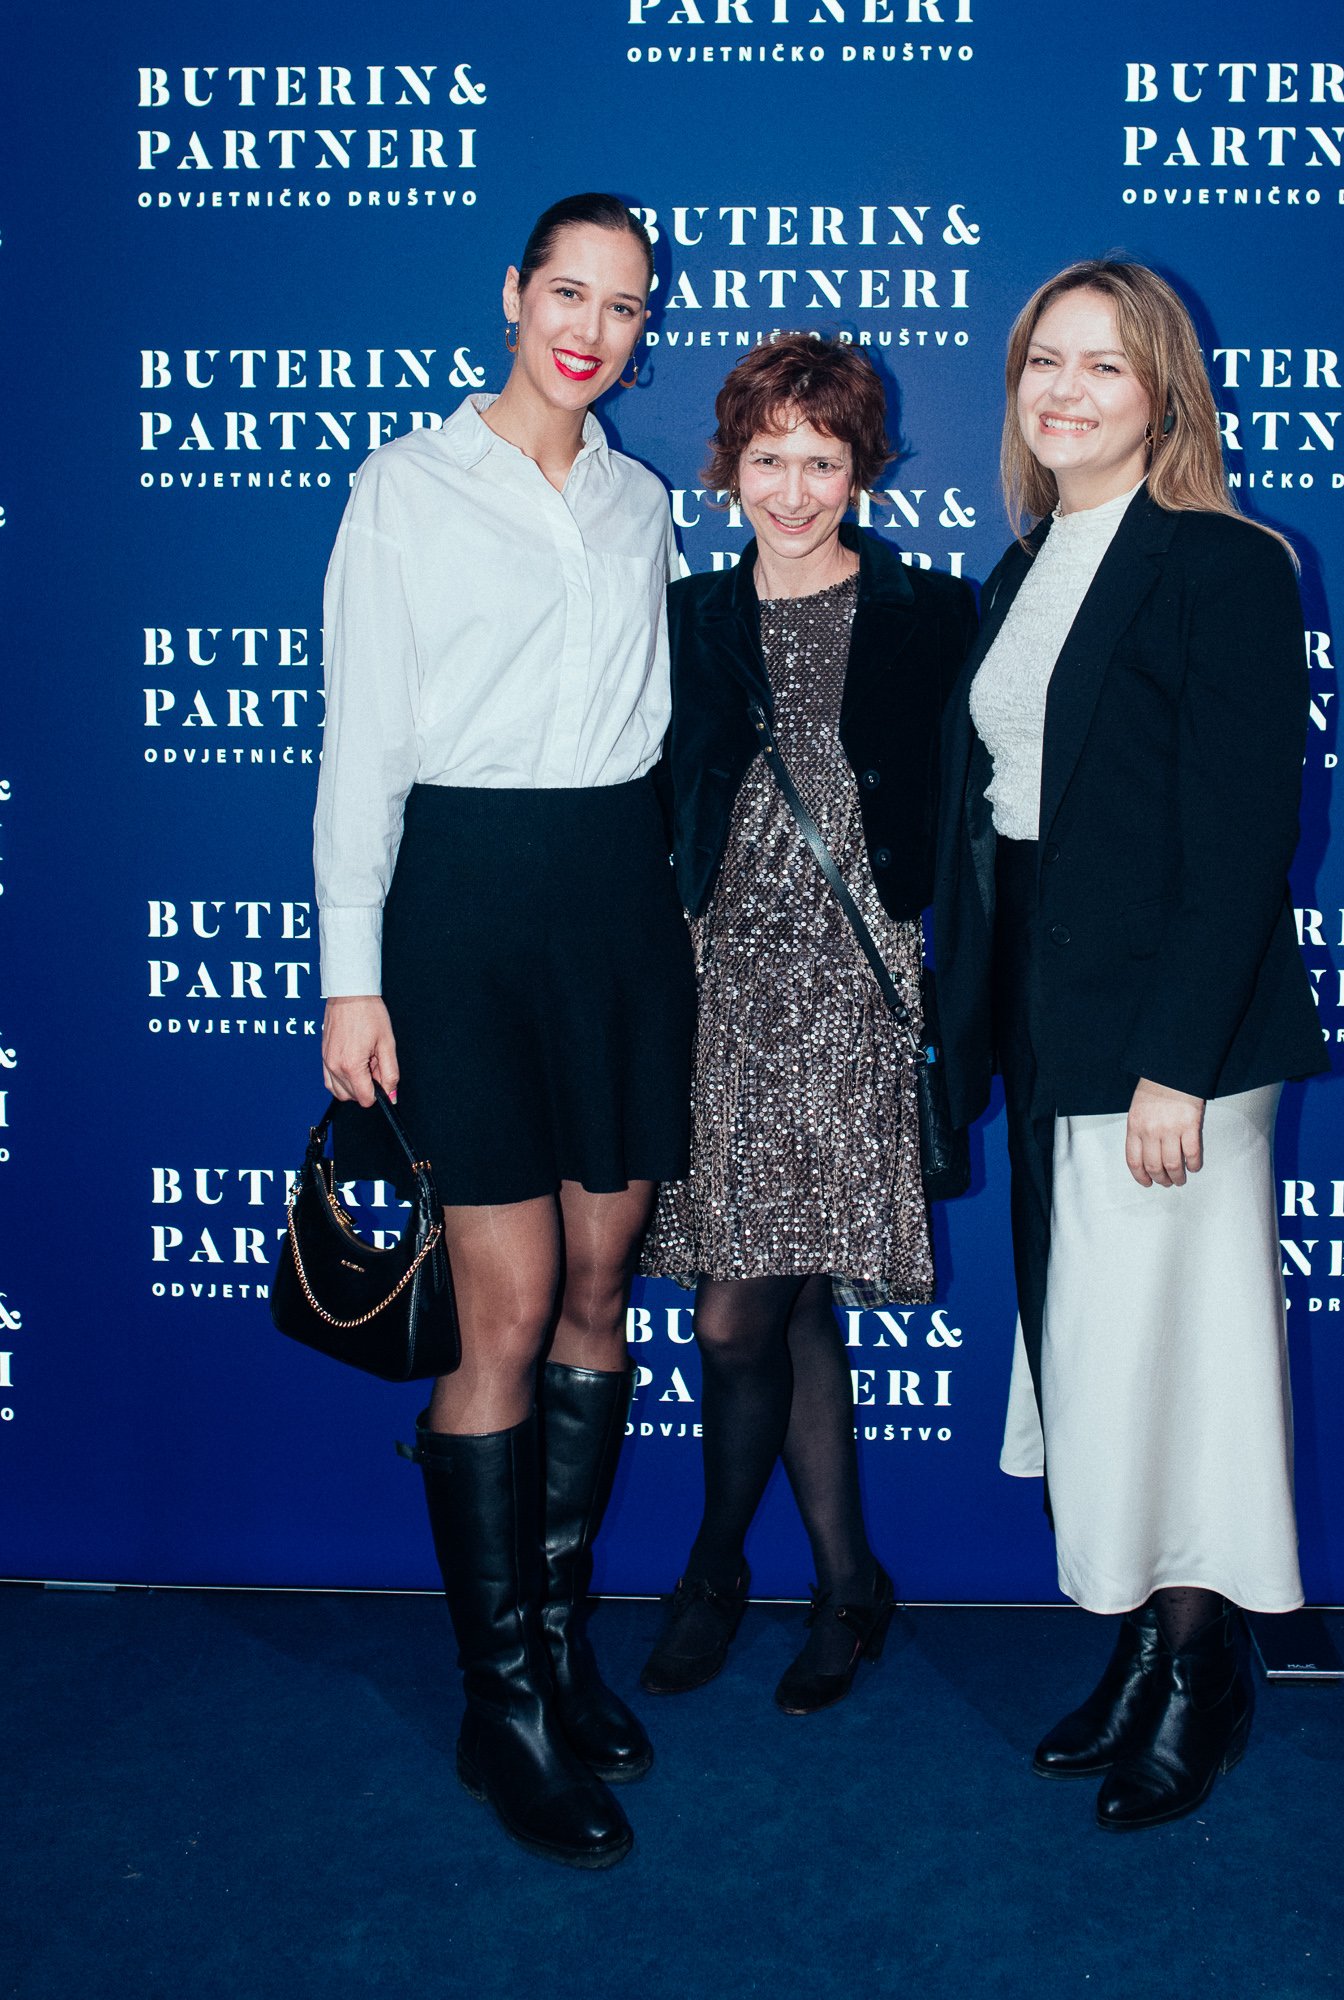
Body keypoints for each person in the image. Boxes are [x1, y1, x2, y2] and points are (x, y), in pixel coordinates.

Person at [313, 193, 693, 1869]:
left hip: (615, 913)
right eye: (568, 292)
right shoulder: (405, 486)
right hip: (458, 916)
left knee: (605, 1287)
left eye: (623, 305)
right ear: (514, 295)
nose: (591, 327)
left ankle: (561, 1641)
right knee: (510, 1311)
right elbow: (361, 744)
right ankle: (502, 1707)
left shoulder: (642, 500)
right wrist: (352, 970)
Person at [933, 260, 1330, 1831]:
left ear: (1164, 389)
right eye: (1045, 360)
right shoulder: (1023, 563)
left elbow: (1242, 839)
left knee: (1178, 1358)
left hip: (1174, 1042)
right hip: (1047, 1017)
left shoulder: (1224, 562)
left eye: (1104, 364)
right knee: (1087, 1346)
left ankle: (1200, 1668)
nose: (1067, 389)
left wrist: (1178, 1060)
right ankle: (1135, 1646)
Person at [638, 334, 977, 1713]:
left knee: (738, 1318)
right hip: (718, 992)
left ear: (861, 466)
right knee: (782, 1310)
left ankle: (716, 1566)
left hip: (853, 990)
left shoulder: (937, 615)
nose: (792, 488)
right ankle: (847, 1581)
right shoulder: (683, 619)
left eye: (821, 461)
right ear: (729, 465)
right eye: (768, 458)